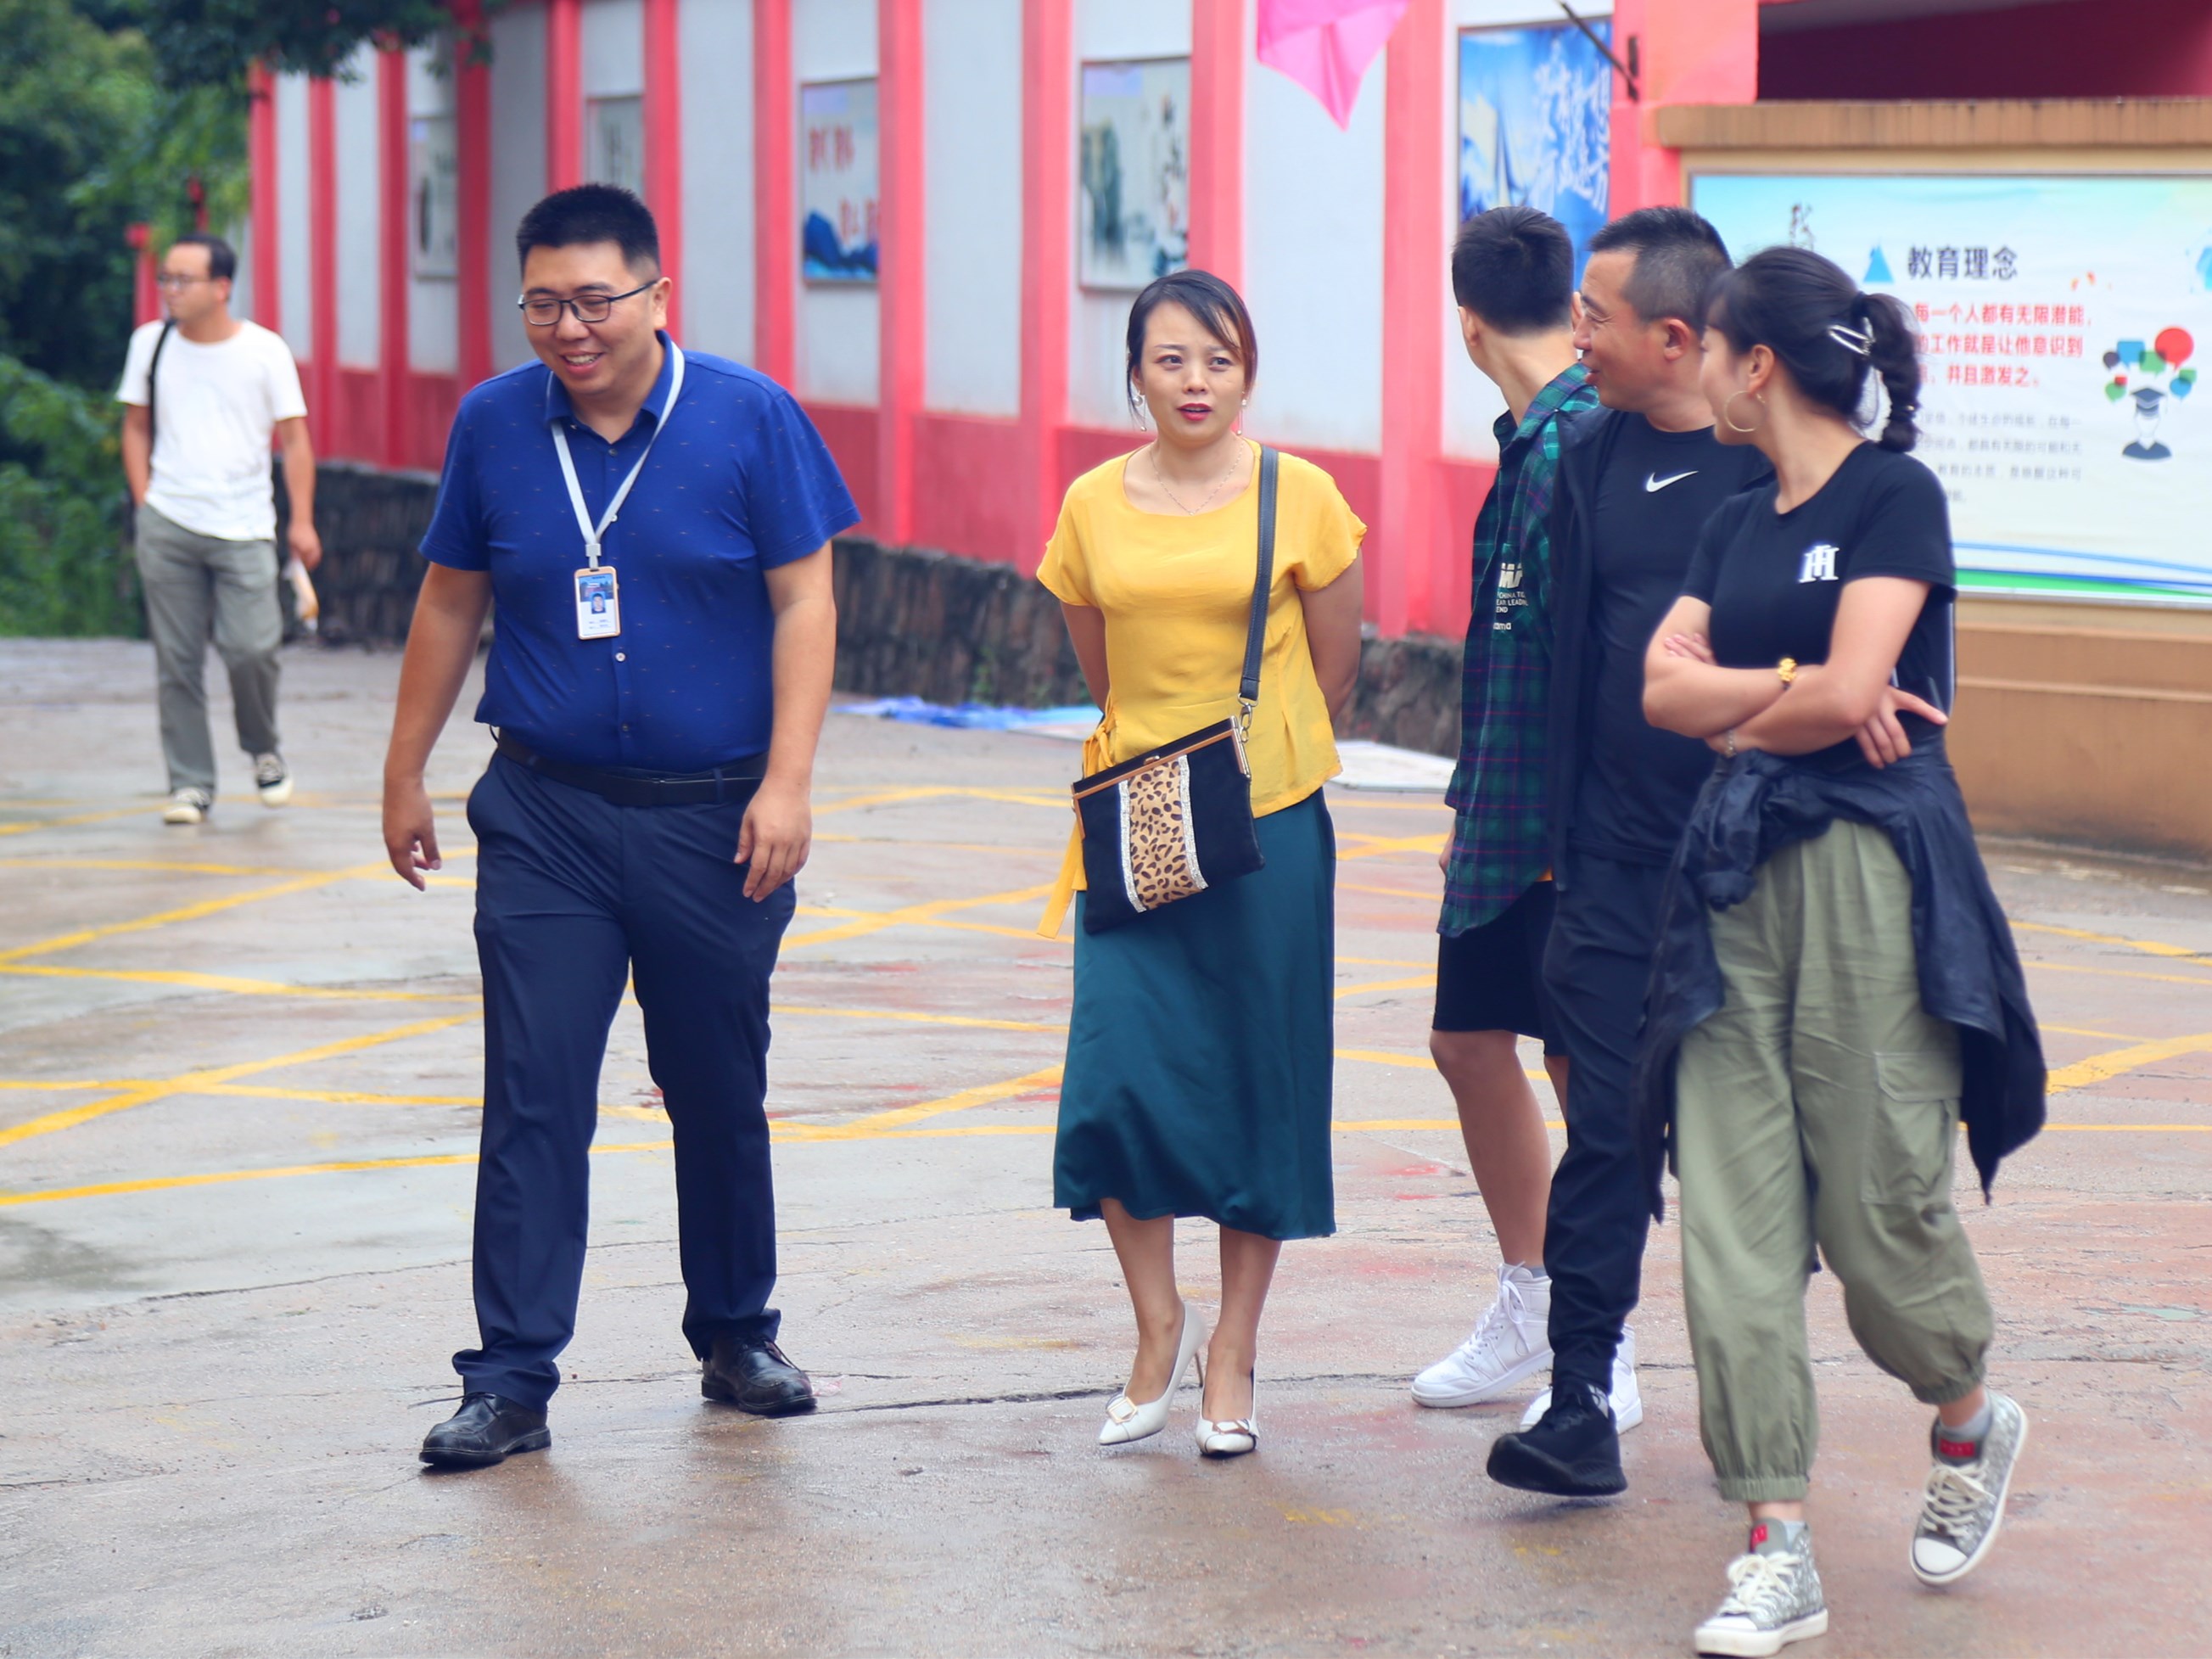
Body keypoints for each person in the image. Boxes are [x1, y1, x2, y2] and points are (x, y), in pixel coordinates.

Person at [382, 184, 856, 1468]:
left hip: (716, 818)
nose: (570, 328)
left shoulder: (748, 418)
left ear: (656, 294)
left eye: (595, 300)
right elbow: (448, 601)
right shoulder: (494, 423)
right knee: (535, 1091)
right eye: (543, 304)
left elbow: (805, 603)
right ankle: (509, 1378)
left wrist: (788, 782)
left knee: (715, 1084)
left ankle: (737, 1330)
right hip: (546, 813)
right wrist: (404, 769)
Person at [1638, 245, 2044, 1656]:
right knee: (1729, 1220)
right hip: (1733, 872)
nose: (1697, 370)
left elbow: (1858, 691)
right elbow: (1660, 691)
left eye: (1709, 349)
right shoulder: (1729, 520)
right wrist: (1793, 689)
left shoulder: (1890, 497)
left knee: (1876, 1212)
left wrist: (1756, 702)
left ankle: (1965, 1413)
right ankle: (1775, 1541)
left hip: (1871, 872)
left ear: (1753, 364)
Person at [1037, 271, 1364, 1459]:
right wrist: (1167, 764)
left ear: (1247, 374)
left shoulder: (1300, 494)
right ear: (1134, 373)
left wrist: (1255, 760)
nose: (1194, 381)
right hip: (1138, 818)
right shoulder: (1089, 504)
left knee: (1256, 1077)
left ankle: (1234, 1347)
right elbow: (1102, 668)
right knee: (1117, 1074)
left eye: (1218, 360)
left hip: (1267, 821)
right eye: (1170, 359)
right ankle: (1156, 1324)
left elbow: (1335, 664)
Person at [1484, 208, 1770, 1496]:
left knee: (1738, 1155)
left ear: (1674, 335)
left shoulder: (1775, 470)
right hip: (1604, 862)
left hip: (1747, 873)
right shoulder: (1586, 452)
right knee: (1603, 1130)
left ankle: (1761, 1414)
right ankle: (1580, 1399)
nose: (1576, 335)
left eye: (1594, 316)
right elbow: (1545, 647)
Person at [1408, 206, 1589, 1419]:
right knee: (1467, 1040)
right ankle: (1530, 1299)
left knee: (1581, 1069)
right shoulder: (1530, 442)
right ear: (1571, 307)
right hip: (1502, 813)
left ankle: (1595, 1336)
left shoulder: (1584, 444)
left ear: (1465, 323)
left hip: (1573, 832)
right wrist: (1469, 803)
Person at [116, 233, 321, 826]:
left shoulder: (263, 351)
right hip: (169, 521)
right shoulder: (151, 343)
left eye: (183, 279)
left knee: (252, 649)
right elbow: (135, 426)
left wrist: (302, 519)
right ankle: (190, 783)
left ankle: (263, 748)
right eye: (166, 278)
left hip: (245, 525)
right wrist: (146, 503)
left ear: (222, 287)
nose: (170, 290)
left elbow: (295, 440)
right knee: (176, 661)